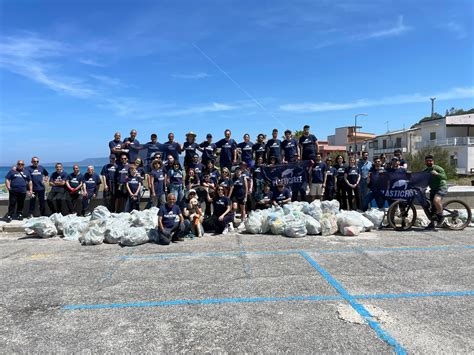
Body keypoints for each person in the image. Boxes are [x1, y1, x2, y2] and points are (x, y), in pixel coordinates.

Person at [424, 154, 448, 230]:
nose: (429, 162)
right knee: (432, 208)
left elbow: (445, 177)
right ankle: (432, 223)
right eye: (427, 161)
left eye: (430, 161)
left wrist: (437, 174)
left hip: (441, 187)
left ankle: (440, 216)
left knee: (436, 200)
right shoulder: (426, 171)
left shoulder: (437, 168)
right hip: (433, 189)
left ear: (433, 161)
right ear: (425, 162)